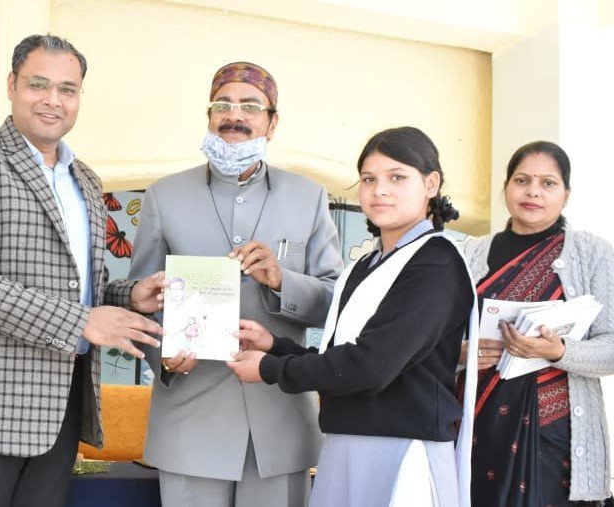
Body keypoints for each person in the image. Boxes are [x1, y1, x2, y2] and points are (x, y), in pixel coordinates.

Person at [0, 34, 165, 507]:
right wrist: (83, 321)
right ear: (11, 85)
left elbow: (80, 288)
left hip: (61, 410)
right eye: (39, 84)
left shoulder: (85, 179)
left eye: (67, 89)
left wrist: (129, 297)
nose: (54, 100)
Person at [127, 61, 344, 507]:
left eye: (250, 106)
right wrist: (163, 358)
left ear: (272, 122)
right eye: (222, 104)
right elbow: (140, 297)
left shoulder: (309, 197)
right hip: (190, 421)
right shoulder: (165, 195)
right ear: (209, 117)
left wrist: (282, 280)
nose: (235, 115)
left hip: (280, 420)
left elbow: (336, 302)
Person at [228, 126, 478, 506]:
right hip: (347, 441)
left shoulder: (436, 263)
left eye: (397, 177)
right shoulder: (366, 265)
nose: (380, 190)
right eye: (368, 179)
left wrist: (270, 369)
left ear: (431, 184)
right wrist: (274, 346)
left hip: (401, 450)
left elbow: (370, 367)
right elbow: (343, 359)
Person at [460, 141, 614, 505]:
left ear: (566, 194)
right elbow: (440, 337)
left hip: (555, 432)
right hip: (479, 420)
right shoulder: (470, 252)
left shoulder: (592, 253)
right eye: (522, 180)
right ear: (506, 187)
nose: (533, 191)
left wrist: (558, 351)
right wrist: (461, 353)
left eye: (548, 183)